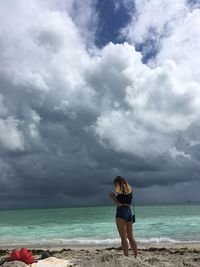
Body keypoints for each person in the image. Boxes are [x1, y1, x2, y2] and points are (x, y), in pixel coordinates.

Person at [109, 176, 137, 257]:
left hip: (121, 212)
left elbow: (118, 204)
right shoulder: (130, 190)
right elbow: (126, 201)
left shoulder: (120, 194)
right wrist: (116, 196)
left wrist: (113, 197)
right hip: (129, 212)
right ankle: (136, 256)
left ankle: (126, 256)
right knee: (131, 237)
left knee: (123, 237)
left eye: (116, 184)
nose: (115, 186)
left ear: (118, 183)